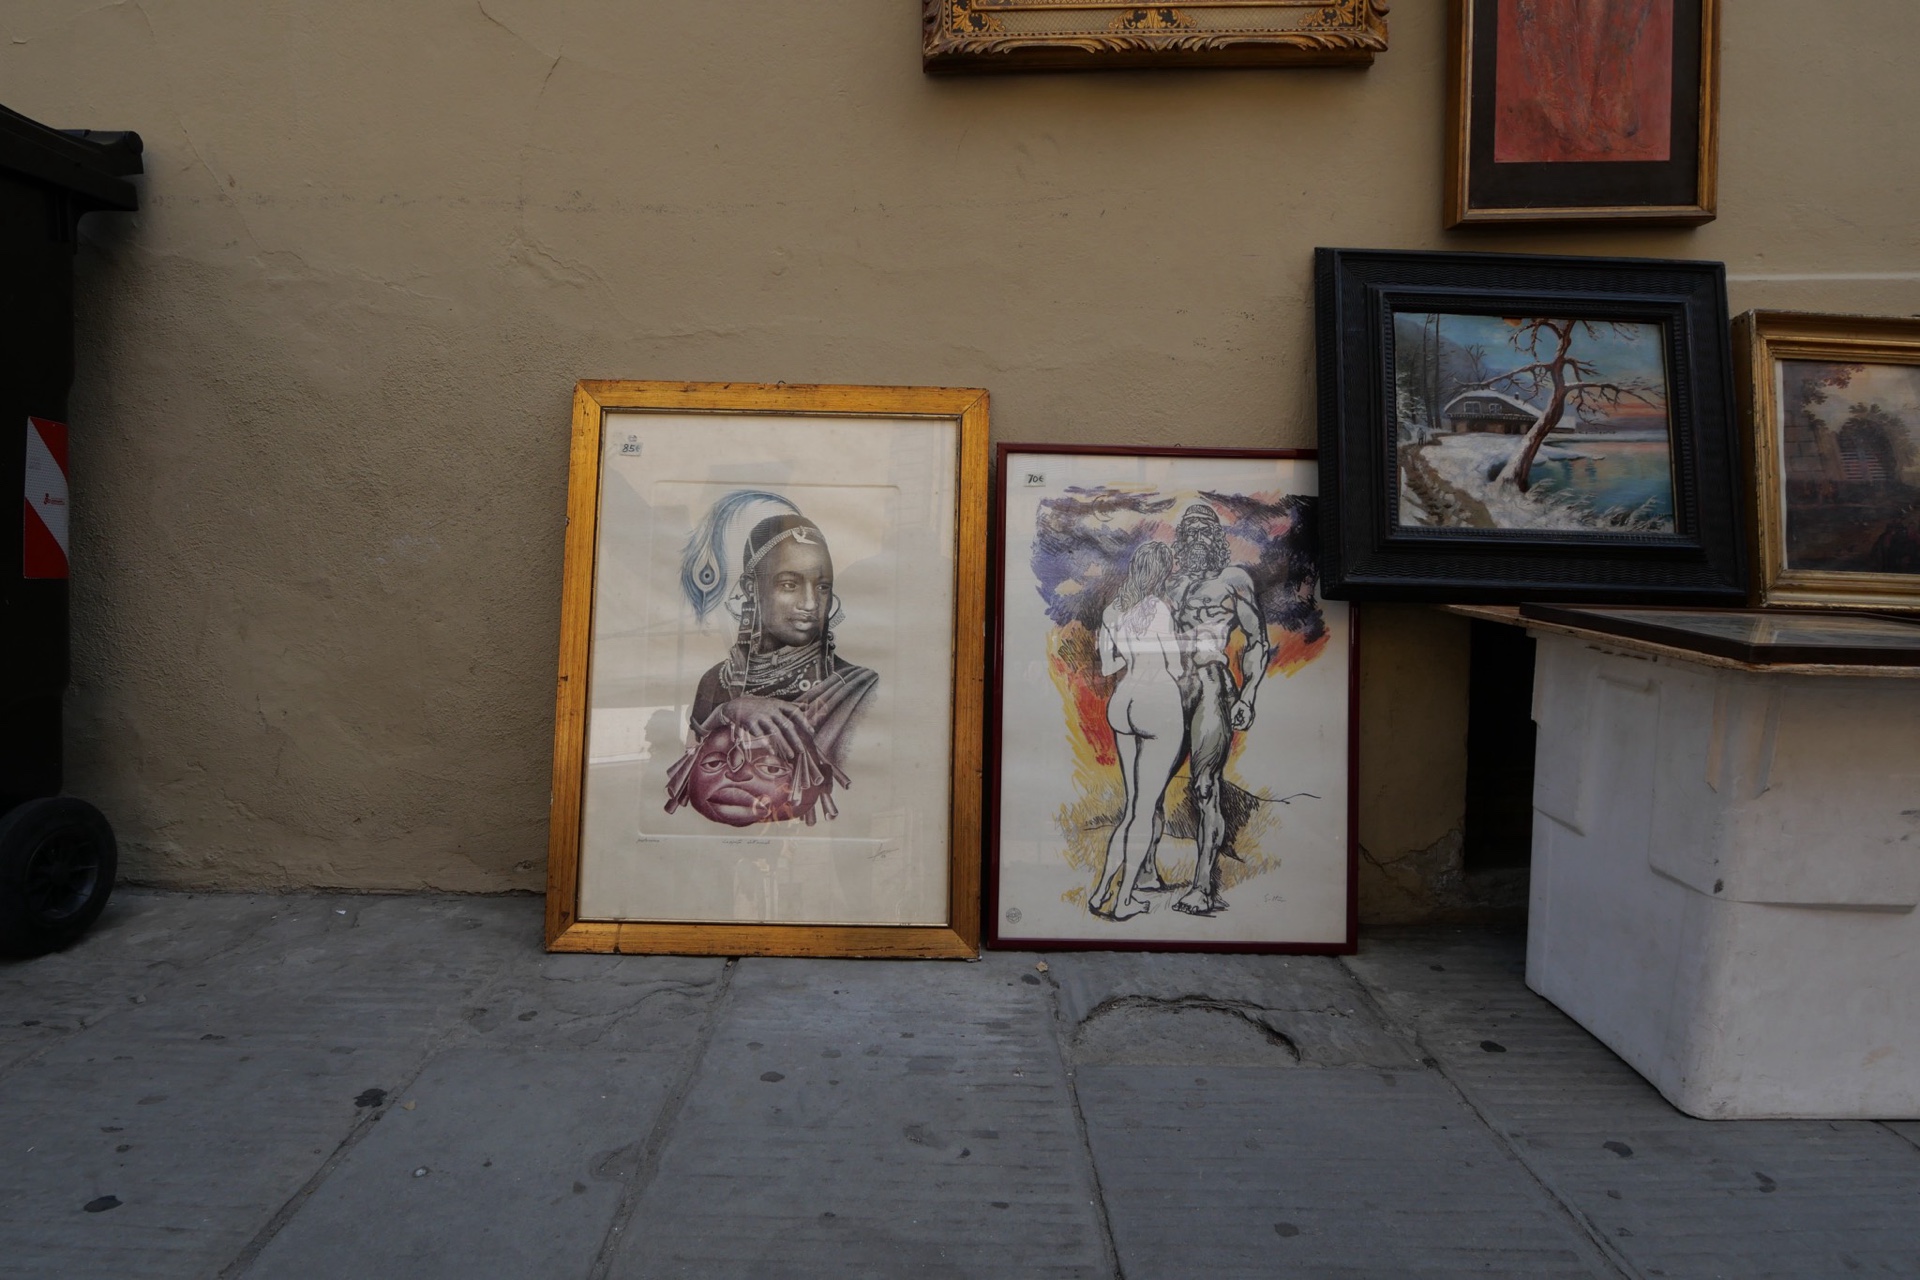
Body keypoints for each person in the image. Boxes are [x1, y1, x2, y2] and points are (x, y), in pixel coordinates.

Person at [664, 499, 877, 827]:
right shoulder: (715, 681)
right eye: (789, 585)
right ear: (751, 588)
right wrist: (729, 710)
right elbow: (694, 770)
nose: (810, 604)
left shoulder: (858, 689)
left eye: (822, 587)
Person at [1150, 502, 1269, 917]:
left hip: (1211, 683)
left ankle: (1203, 886)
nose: (1197, 539)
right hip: (1169, 687)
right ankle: (1146, 871)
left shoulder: (1234, 580)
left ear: (1216, 539)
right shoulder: (1170, 584)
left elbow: (1257, 640)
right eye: (1190, 532)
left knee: (1204, 785)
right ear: (1181, 540)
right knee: (1153, 782)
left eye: (1205, 531)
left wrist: (1248, 695)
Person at [1088, 541, 1185, 921]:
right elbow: (1175, 666)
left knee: (1130, 809)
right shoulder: (1158, 607)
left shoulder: (1113, 610)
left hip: (1123, 700)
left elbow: (1108, 666)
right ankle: (1124, 899)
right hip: (1156, 700)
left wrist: (1128, 654)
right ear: (1161, 572)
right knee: (1144, 811)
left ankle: (1101, 892)